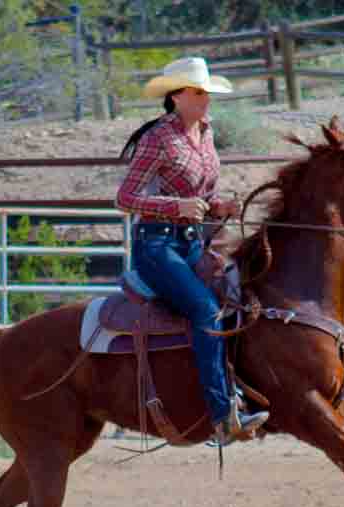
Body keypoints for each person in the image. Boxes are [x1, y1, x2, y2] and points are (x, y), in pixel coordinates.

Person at [115, 56, 269, 447]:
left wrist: (218, 205)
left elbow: (201, 191)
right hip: (155, 245)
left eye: (207, 92)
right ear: (178, 96)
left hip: (190, 242)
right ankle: (220, 414)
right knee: (204, 309)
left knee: (237, 298)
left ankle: (240, 394)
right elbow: (125, 197)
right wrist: (174, 207)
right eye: (199, 92)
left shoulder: (205, 131)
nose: (206, 99)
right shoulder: (157, 138)